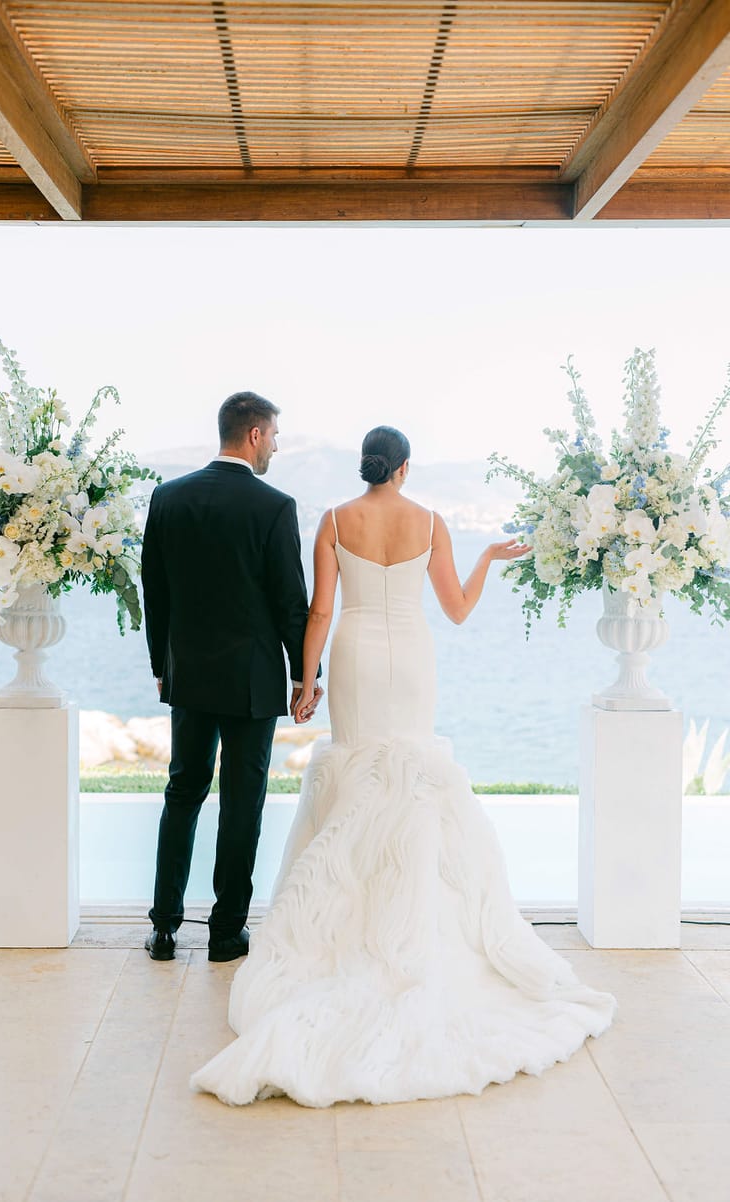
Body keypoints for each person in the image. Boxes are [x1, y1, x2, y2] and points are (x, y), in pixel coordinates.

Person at [190, 425, 616, 1107]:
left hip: (356, 653)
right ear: (405, 468)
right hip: (412, 656)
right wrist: (485, 559)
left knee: (357, 770)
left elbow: (321, 610)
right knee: (411, 777)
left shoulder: (335, 520)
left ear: (366, 466)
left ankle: (350, 925)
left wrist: (306, 679)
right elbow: (457, 610)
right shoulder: (432, 522)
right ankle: (412, 922)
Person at [140, 391, 321, 965]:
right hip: (252, 681)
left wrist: (162, 666)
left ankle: (164, 929)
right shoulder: (275, 506)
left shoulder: (169, 497)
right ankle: (225, 934)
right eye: (274, 437)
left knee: (183, 792)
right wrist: (305, 675)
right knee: (243, 804)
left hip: (190, 676)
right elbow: (291, 603)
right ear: (254, 435)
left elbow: (155, 593)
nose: (275, 448)